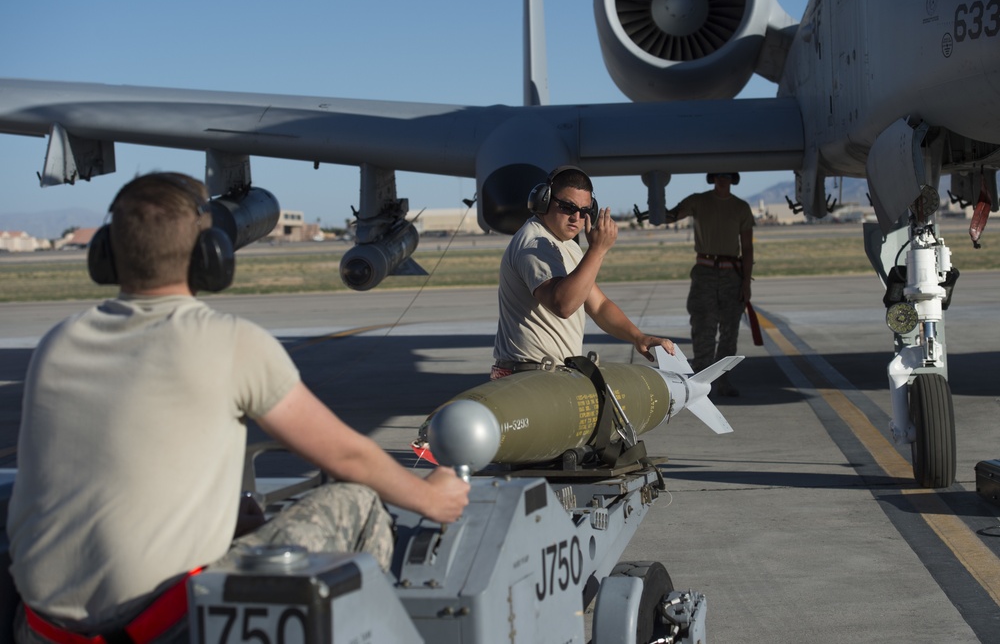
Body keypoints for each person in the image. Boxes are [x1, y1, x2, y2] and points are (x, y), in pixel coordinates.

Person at [7, 172, 469, 644]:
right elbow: (347, 457)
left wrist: (219, 522)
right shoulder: (228, 342)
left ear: (105, 252)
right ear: (212, 257)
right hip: (167, 627)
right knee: (358, 501)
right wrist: (432, 498)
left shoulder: (58, 342)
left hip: (40, 630)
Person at [492, 165, 674, 379]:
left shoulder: (566, 245)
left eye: (585, 212)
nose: (576, 218)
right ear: (544, 200)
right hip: (528, 377)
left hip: (547, 374)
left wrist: (637, 337)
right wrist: (597, 251)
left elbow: (598, 305)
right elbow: (563, 305)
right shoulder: (534, 245)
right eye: (568, 207)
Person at [664, 172, 755, 396]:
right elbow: (670, 217)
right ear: (712, 178)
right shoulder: (698, 201)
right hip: (705, 272)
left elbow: (748, 247)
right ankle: (701, 385)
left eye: (726, 176)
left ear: (733, 179)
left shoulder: (741, 207)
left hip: (731, 275)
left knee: (729, 331)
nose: (722, 179)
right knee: (703, 328)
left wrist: (746, 281)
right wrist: (655, 203)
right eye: (718, 175)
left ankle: (723, 382)